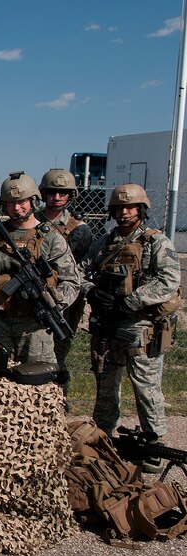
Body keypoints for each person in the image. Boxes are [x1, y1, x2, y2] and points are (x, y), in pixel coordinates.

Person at [81, 184, 181, 471]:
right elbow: (80, 272)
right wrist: (91, 291)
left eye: (131, 207)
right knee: (106, 386)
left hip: (141, 326)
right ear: (111, 211)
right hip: (109, 327)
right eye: (120, 208)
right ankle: (102, 438)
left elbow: (168, 280)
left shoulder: (156, 242)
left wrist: (132, 301)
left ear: (141, 210)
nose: (125, 213)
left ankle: (153, 445)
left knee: (147, 388)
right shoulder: (106, 242)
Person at [0, 171, 79, 364]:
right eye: (11, 203)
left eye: (22, 202)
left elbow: (71, 282)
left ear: (33, 201)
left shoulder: (51, 238)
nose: (17, 208)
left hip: (34, 325)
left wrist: (51, 300)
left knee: (38, 384)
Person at [36, 168, 94, 399]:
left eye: (62, 193)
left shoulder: (79, 229)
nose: (57, 197)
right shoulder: (32, 221)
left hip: (63, 301)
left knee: (58, 354)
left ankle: (60, 400)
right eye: (52, 192)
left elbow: (79, 270)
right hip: (31, 297)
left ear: (70, 195)